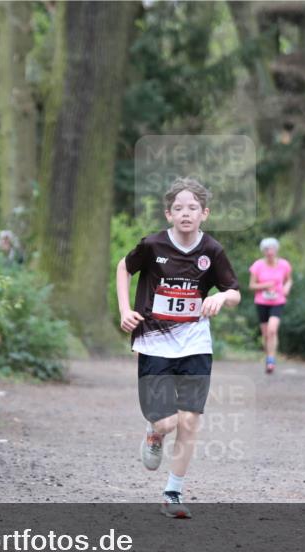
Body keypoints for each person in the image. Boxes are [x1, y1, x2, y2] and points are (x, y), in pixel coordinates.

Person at [116, 177, 241, 518]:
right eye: (179, 208)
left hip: (195, 343)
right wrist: (126, 310)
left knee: (190, 421)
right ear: (168, 214)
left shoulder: (212, 251)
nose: (186, 214)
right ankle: (153, 434)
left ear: (205, 213)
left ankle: (173, 492)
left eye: (193, 208)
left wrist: (221, 296)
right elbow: (124, 268)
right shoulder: (153, 245)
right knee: (167, 422)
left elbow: (235, 291)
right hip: (154, 341)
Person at [248, 238, 292, 373]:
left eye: (272, 249)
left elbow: (289, 280)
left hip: (278, 301)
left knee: (272, 330)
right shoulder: (257, 266)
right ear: (263, 251)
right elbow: (251, 286)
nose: (270, 252)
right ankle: (268, 357)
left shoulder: (284, 265)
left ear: (276, 250)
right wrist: (265, 285)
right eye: (267, 249)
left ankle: (271, 360)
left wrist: (286, 288)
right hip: (262, 302)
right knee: (266, 333)